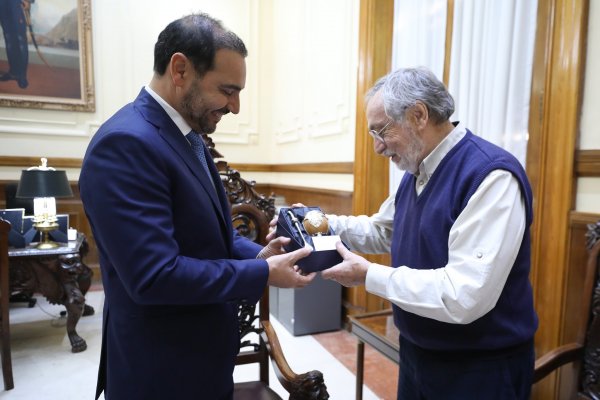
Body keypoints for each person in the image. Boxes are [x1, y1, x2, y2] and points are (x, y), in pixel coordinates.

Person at [79, 13, 315, 400]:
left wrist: (262, 253)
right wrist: (261, 273)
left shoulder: (185, 134)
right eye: (227, 90)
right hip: (163, 370)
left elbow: (210, 236)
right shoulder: (125, 145)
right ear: (180, 69)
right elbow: (155, 276)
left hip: (203, 358)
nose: (236, 107)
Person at [321, 67, 538, 400]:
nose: (378, 148)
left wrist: (368, 276)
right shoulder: (416, 168)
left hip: (479, 367)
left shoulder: (491, 175)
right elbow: (384, 230)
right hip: (416, 353)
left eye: (381, 131)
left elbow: (462, 296)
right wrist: (324, 223)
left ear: (418, 115)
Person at [0, 0, 31, 88]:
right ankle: (13, 72)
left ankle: (22, 76)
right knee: (9, 38)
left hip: (17, 3)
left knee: (20, 40)